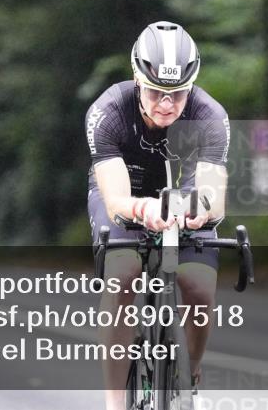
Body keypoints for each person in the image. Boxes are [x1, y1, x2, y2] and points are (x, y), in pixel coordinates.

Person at [86, 21, 229, 410]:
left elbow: (213, 193)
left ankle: (190, 370)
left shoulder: (210, 115)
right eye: (155, 93)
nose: (166, 104)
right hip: (125, 192)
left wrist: (199, 210)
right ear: (136, 79)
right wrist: (141, 208)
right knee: (121, 280)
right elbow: (115, 198)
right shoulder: (108, 111)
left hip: (182, 199)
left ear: (192, 87)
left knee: (199, 289)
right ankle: (116, 401)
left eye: (177, 94)